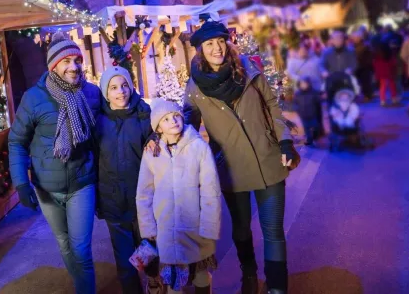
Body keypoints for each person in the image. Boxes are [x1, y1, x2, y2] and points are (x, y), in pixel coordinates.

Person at [183, 21, 300, 294]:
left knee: (272, 230)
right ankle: (249, 274)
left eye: (220, 41)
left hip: (267, 158)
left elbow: (272, 105)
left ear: (228, 42)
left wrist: (284, 140)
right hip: (231, 167)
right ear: (200, 49)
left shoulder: (248, 69)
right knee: (241, 230)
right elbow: (187, 120)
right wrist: (162, 135)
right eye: (209, 44)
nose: (216, 48)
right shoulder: (195, 85)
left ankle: (277, 287)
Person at [8, 32, 101, 294]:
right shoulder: (34, 98)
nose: (73, 67)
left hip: (82, 182)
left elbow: (119, 112)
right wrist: (21, 183)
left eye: (77, 60)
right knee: (63, 243)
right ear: (53, 66)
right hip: (46, 188)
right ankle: (81, 284)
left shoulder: (91, 94)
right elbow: (17, 141)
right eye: (66, 61)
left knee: (81, 249)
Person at [137, 98, 221, 294]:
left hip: (196, 225)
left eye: (176, 116)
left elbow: (211, 189)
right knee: (173, 278)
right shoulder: (152, 152)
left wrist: (210, 225)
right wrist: (149, 227)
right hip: (166, 227)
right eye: (165, 119)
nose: (173, 121)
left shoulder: (198, 147)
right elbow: (144, 193)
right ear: (158, 128)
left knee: (200, 273)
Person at [95, 66, 156, 294]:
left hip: (142, 201)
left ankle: (155, 286)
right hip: (113, 203)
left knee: (150, 253)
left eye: (124, 86)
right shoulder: (98, 121)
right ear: (105, 92)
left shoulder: (144, 114)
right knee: (124, 262)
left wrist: (154, 137)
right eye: (113, 88)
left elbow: (159, 132)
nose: (120, 92)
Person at [293, 77, 323, 146]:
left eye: (305, 83)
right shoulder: (298, 93)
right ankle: (309, 140)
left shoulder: (313, 92)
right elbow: (295, 103)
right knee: (306, 128)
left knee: (315, 127)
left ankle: (315, 138)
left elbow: (318, 102)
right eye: (301, 84)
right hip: (303, 115)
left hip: (313, 114)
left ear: (308, 84)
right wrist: (297, 110)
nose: (303, 85)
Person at [373, 41, 399, 106]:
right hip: (390, 73)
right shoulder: (390, 55)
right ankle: (394, 99)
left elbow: (375, 65)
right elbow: (394, 63)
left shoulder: (377, 56)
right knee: (392, 86)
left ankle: (383, 100)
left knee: (383, 87)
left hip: (381, 74)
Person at [350, 29, 374, 101]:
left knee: (365, 82)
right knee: (355, 82)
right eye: (353, 38)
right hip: (356, 67)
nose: (354, 39)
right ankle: (358, 95)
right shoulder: (352, 46)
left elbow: (370, 56)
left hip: (364, 66)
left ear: (360, 38)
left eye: (355, 37)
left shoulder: (365, 45)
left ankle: (368, 95)